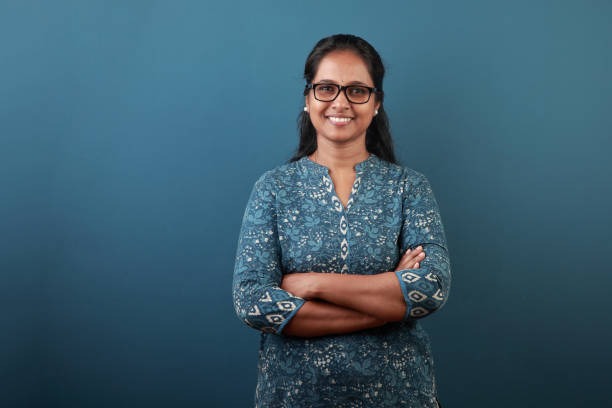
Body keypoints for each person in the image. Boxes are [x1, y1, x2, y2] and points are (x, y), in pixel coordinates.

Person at [233, 34, 451, 407]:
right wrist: (387, 303)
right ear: (308, 99)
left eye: (357, 91)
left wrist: (313, 284)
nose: (340, 102)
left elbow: (431, 288)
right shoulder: (273, 189)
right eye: (326, 88)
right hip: (294, 397)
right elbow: (253, 302)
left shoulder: (408, 187)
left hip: (399, 395)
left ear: (376, 103)